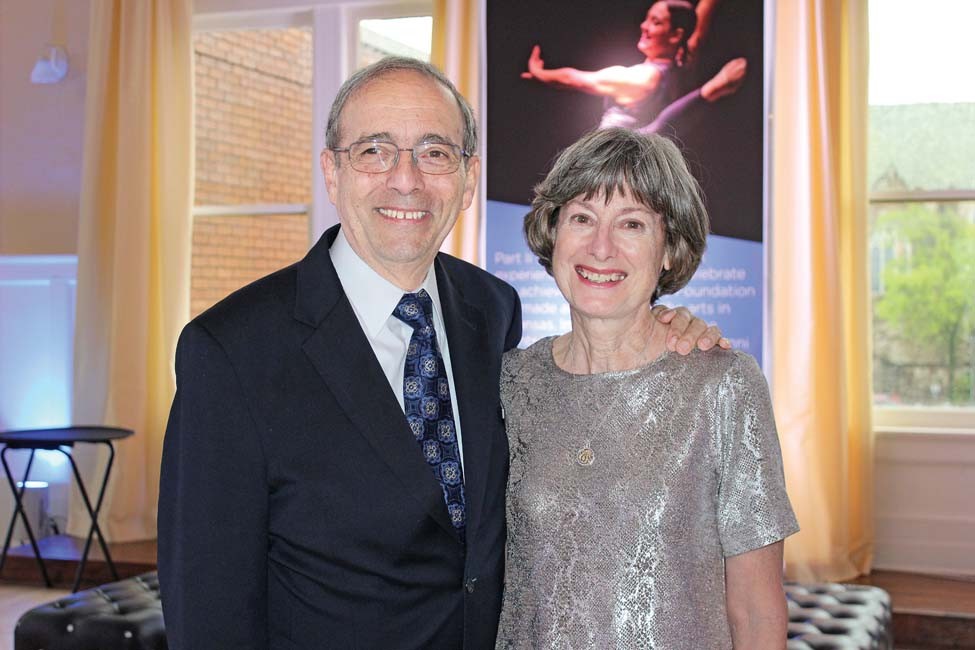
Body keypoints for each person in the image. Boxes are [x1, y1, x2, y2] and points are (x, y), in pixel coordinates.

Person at [157, 58, 724, 649]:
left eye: (434, 153)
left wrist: (659, 328)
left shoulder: (492, 311)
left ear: (468, 178)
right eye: (374, 151)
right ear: (332, 172)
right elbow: (207, 608)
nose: (406, 179)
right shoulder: (231, 351)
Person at [495, 128, 798, 649]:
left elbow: (756, 611)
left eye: (631, 224)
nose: (601, 247)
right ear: (553, 233)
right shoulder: (510, 384)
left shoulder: (722, 386)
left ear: (669, 249)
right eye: (582, 218)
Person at [521, 0, 746, 133]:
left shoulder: (643, 78)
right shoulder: (683, 61)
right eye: (647, 18)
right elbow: (697, 26)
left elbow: (574, 79)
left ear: (676, 35)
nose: (644, 26)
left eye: (656, 22)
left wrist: (539, 72)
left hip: (611, 163)